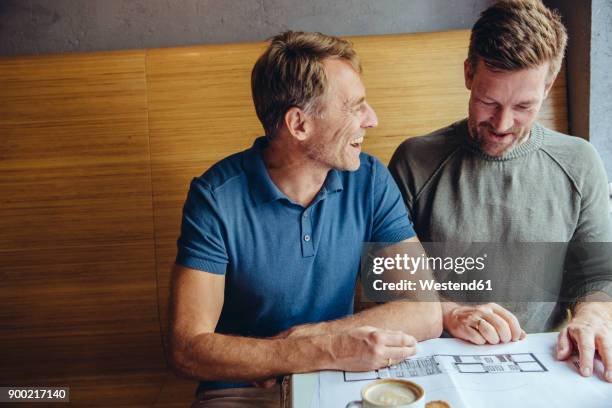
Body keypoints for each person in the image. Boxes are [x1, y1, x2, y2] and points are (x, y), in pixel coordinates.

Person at [169, 31, 442, 407]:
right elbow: (187, 349)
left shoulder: (371, 180)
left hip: (342, 378)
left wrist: (321, 340)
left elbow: (425, 310)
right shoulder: (215, 198)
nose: (372, 119)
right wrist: (318, 349)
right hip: (242, 390)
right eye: (354, 107)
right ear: (298, 124)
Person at [389, 0, 612, 382]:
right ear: (467, 74)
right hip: (436, 363)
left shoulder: (580, 162)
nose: (502, 124)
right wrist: (447, 312)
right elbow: (384, 280)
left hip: (543, 363)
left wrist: (594, 315)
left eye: (524, 106)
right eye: (488, 101)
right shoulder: (415, 160)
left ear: (548, 87)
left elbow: (598, 275)